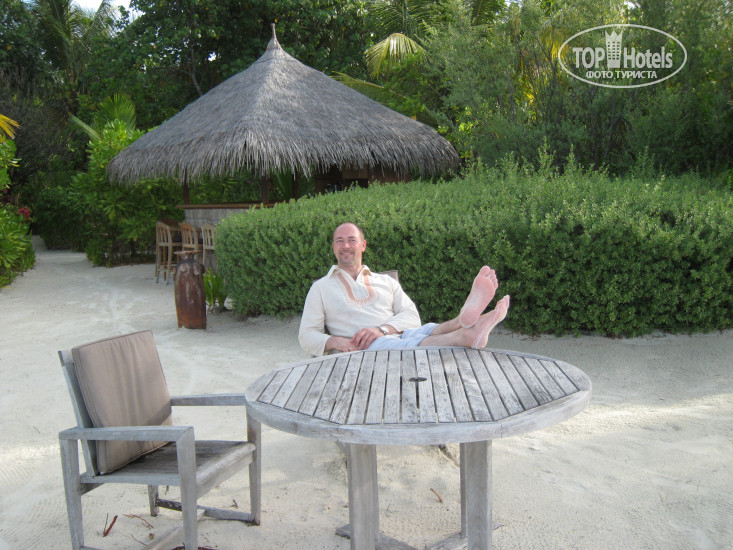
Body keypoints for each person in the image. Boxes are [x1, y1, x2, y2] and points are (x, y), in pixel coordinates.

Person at [298, 222, 510, 356]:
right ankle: (466, 335)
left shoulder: (385, 281)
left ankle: (462, 321)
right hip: (365, 350)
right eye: (340, 241)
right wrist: (333, 341)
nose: (345, 246)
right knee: (408, 341)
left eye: (352, 240)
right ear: (334, 247)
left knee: (424, 329)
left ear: (363, 245)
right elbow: (306, 335)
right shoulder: (321, 288)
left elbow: (412, 317)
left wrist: (382, 329)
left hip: (398, 335)